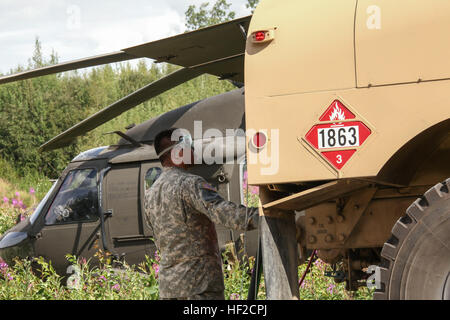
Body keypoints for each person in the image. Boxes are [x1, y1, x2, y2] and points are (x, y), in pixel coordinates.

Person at [144, 128, 259, 300]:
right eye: (188, 146)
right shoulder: (190, 184)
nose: (193, 150)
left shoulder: (151, 193)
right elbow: (224, 213)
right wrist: (263, 216)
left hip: (169, 289)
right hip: (198, 287)